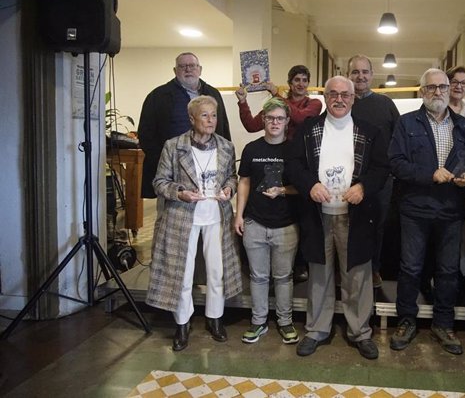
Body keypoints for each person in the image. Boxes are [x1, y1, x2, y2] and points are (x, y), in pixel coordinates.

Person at [285, 76, 389, 360]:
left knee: (357, 276)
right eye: (333, 94)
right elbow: (292, 164)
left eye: (345, 94)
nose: (339, 99)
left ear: (353, 98)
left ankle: (360, 333)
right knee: (319, 274)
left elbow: (382, 168)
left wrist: (363, 187)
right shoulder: (309, 128)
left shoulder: (370, 131)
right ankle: (317, 330)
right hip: (318, 216)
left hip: (356, 217)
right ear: (326, 97)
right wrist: (310, 185)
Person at [388, 68, 465, 355]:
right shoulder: (406, 123)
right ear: (422, 91)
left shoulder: (464, 126)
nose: (438, 92)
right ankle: (406, 320)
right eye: (432, 87)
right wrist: (430, 174)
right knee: (411, 268)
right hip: (415, 208)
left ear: (450, 90)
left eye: (443, 87)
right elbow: (396, 164)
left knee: (449, 270)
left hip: (451, 209)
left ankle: (443, 323)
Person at [146, 96, 243, 352]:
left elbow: (233, 177)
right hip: (182, 216)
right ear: (192, 119)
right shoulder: (173, 146)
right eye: (205, 116)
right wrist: (180, 193)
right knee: (183, 272)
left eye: (214, 115)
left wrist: (228, 189)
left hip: (217, 216)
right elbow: (159, 182)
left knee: (216, 271)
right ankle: (182, 323)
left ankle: (215, 318)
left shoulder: (225, 146)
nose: (211, 121)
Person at [234, 98, 300, 345]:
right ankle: (258, 322)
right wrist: (239, 215)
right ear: (263, 120)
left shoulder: (295, 149)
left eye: (279, 118)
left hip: (286, 225)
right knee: (258, 276)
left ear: (287, 122)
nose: (275, 123)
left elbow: (303, 186)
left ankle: (285, 322)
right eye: (270, 118)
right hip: (255, 223)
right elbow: (244, 182)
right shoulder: (252, 149)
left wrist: (282, 191)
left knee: (284, 277)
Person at [138, 52, 231, 199]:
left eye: (192, 66)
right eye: (182, 66)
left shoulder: (213, 93)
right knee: (172, 217)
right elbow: (146, 134)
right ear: (175, 71)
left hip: (209, 168)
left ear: (200, 69)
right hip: (173, 173)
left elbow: (223, 128)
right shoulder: (158, 96)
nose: (188, 69)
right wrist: (166, 162)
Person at [347, 54, 400, 288]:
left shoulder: (385, 104)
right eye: (355, 72)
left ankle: (374, 268)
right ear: (348, 75)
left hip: (380, 178)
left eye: (365, 72)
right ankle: (345, 270)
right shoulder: (342, 103)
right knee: (345, 225)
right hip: (347, 177)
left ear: (372, 74)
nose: (360, 76)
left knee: (377, 225)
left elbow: (399, 138)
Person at [235, 64, 323, 140]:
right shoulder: (277, 104)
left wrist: (275, 94)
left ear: (308, 83)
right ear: (290, 83)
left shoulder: (315, 104)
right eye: (297, 80)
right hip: (279, 155)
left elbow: (300, 118)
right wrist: (243, 102)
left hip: (304, 156)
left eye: (304, 80)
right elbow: (251, 126)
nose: (301, 84)